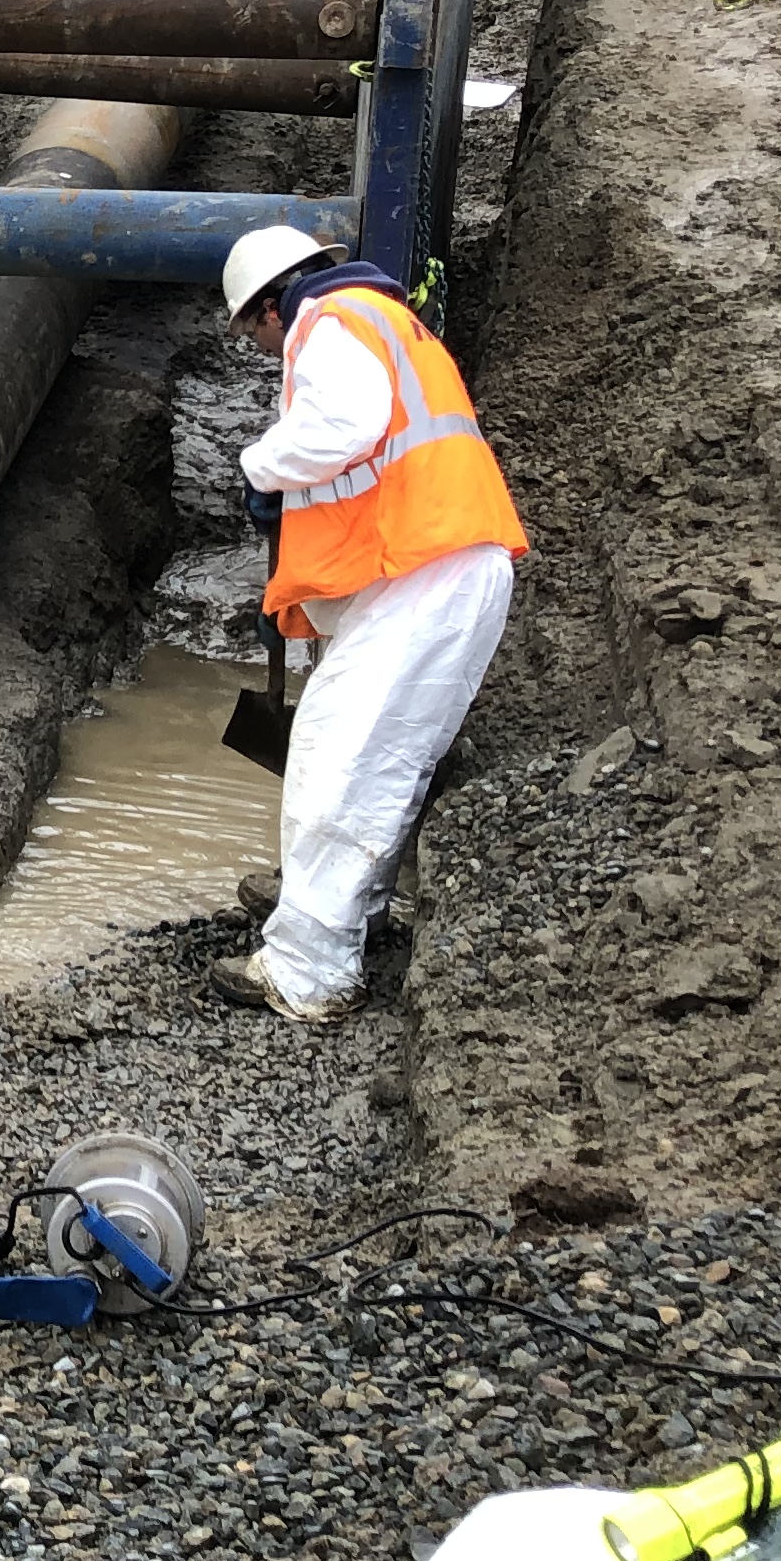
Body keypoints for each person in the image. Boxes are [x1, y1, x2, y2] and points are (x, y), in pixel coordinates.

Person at [204, 228, 529, 1025]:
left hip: (431, 572)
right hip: (438, 565)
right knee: (377, 761)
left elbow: (341, 428)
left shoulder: (327, 320)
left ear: (272, 307)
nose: (263, 349)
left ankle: (308, 971)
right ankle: (354, 904)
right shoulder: (385, 321)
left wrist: (260, 466)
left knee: (335, 763)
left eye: (254, 335)